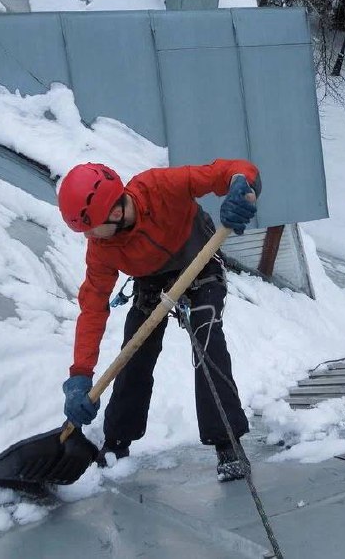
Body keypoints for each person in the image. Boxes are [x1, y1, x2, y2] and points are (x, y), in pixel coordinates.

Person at [58, 159, 261, 482]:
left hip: (199, 258)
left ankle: (228, 444)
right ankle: (116, 442)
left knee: (206, 334)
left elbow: (230, 170)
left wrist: (241, 183)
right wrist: (80, 375)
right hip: (151, 280)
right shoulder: (102, 247)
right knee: (135, 350)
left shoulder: (159, 186)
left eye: (91, 227)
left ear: (115, 212)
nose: (89, 236)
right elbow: (93, 307)